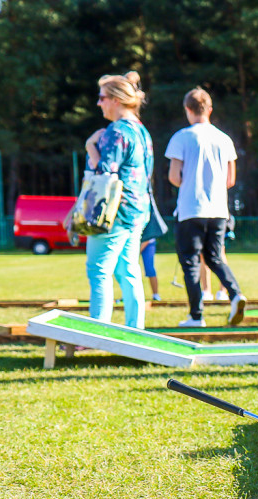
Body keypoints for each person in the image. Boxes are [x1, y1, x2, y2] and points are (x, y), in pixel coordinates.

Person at [167, 87, 246, 328]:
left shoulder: (181, 137)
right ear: (209, 109)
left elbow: (174, 177)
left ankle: (196, 315)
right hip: (218, 209)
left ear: (187, 110)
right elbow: (230, 180)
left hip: (191, 208)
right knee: (215, 257)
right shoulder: (224, 138)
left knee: (190, 261)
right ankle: (235, 294)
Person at [84, 71, 153, 329]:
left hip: (114, 213)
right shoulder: (141, 130)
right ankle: (136, 329)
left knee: (99, 270)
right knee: (128, 272)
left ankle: (97, 333)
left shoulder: (116, 131)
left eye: (102, 98)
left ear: (115, 100)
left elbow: (105, 173)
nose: (99, 103)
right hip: (137, 211)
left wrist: (91, 144)